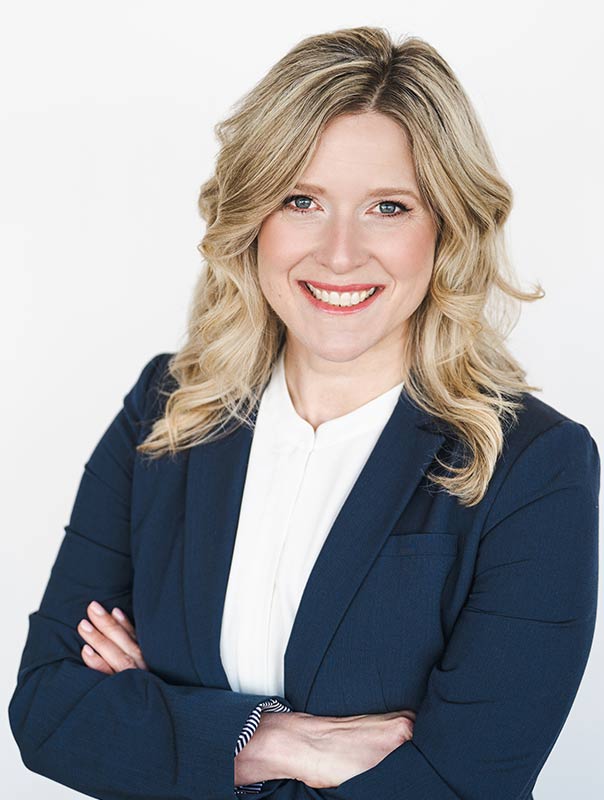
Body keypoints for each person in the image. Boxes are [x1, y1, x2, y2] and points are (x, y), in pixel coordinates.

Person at [8, 25, 600, 800]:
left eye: (388, 206)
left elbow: (456, 787)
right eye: (302, 200)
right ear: (253, 217)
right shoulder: (167, 408)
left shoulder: (535, 469)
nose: (341, 253)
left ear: (447, 228)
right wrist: (271, 740)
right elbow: (49, 709)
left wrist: (163, 728)